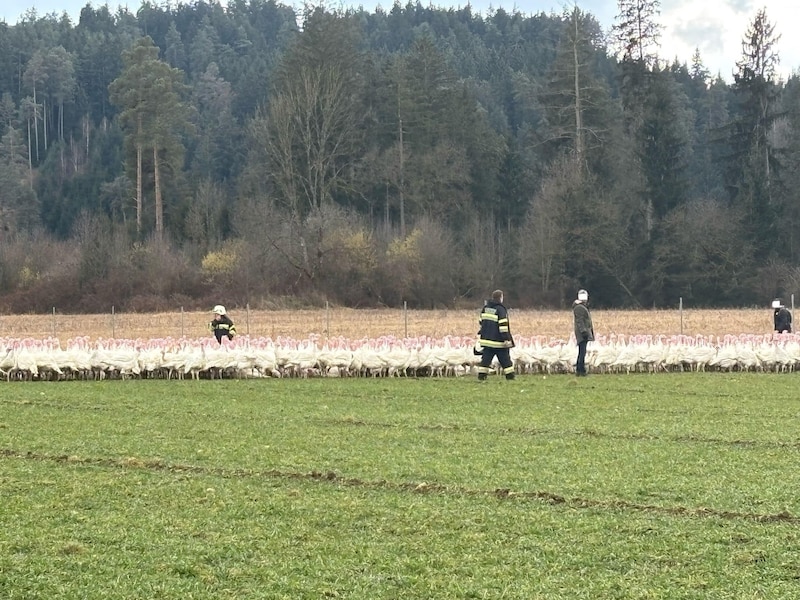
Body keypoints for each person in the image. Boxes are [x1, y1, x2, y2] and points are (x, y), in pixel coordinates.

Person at [476, 289, 515, 381]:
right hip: (498, 342)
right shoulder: (501, 309)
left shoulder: (485, 308)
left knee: (485, 360)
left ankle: (481, 376)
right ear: (500, 298)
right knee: (505, 360)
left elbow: (481, 322)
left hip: (486, 340)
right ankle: (510, 377)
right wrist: (506, 339)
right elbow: (503, 326)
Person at [572, 289, 594, 376]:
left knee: (582, 351)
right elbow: (580, 321)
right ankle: (580, 370)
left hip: (584, 331)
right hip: (582, 333)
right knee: (582, 352)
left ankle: (580, 369)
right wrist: (584, 331)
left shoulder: (582, 307)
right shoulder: (579, 308)